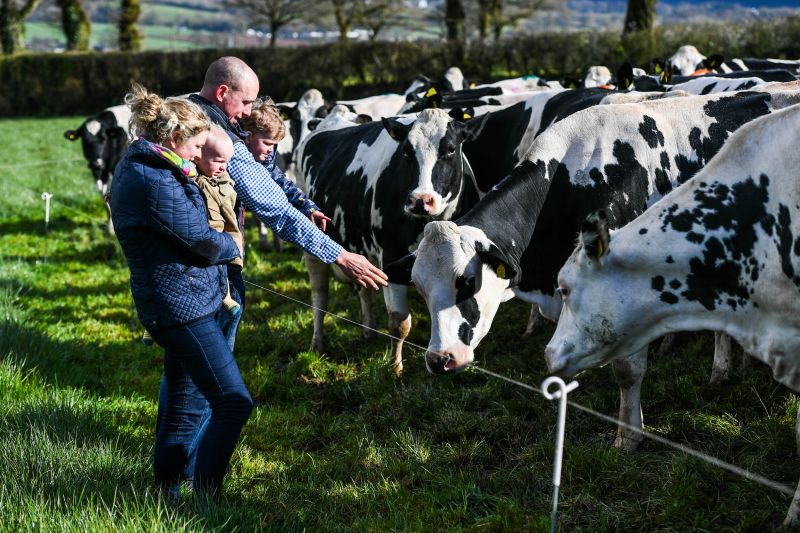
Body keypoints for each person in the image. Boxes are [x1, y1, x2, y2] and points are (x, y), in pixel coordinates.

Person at [110, 83, 251, 502]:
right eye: (195, 146)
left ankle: (167, 492)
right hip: (179, 307)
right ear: (174, 140)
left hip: (185, 299)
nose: (197, 154)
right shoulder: (152, 178)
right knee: (233, 402)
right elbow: (203, 241)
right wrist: (234, 245)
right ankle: (207, 500)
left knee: (185, 404)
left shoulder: (158, 167)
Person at [187, 56, 388, 348]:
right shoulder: (223, 141)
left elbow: (275, 179)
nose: (247, 113)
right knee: (212, 358)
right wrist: (340, 256)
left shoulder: (180, 116)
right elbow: (277, 212)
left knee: (186, 366)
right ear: (222, 93)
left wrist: (304, 204)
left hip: (175, 265)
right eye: (245, 102)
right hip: (207, 268)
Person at [239, 97, 330, 231]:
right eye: (268, 143)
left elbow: (282, 182)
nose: (271, 149)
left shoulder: (265, 162)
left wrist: (309, 207)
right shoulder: (229, 157)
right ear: (248, 136)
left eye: (274, 145)